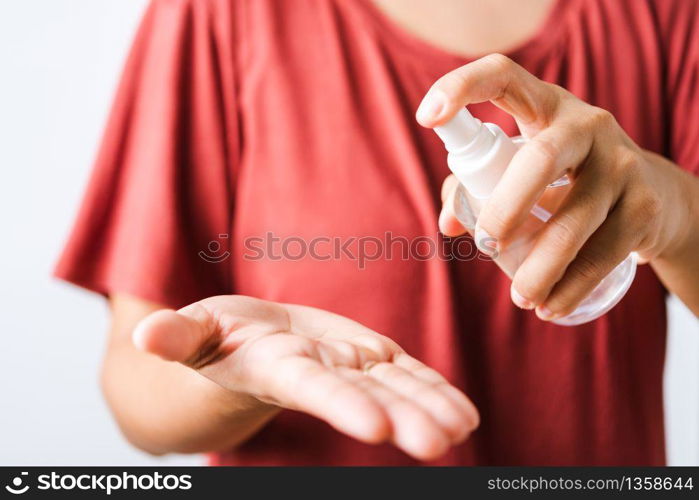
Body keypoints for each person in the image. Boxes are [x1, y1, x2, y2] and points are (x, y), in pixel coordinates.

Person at [55, 0, 699, 465]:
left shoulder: (667, 18)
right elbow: (138, 392)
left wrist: (676, 212)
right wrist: (231, 374)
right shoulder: (219, 15)